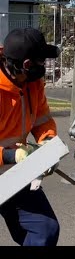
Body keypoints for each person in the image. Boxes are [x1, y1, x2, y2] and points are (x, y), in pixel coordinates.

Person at [0, 27, 61, 246]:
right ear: (26, 65)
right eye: (41, 61)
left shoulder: (32, 84)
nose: (44, 66)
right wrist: (11, 155)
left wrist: (47, 145)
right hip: (9, 163)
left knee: (44, 230)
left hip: (13, 174)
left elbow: (43, 121)